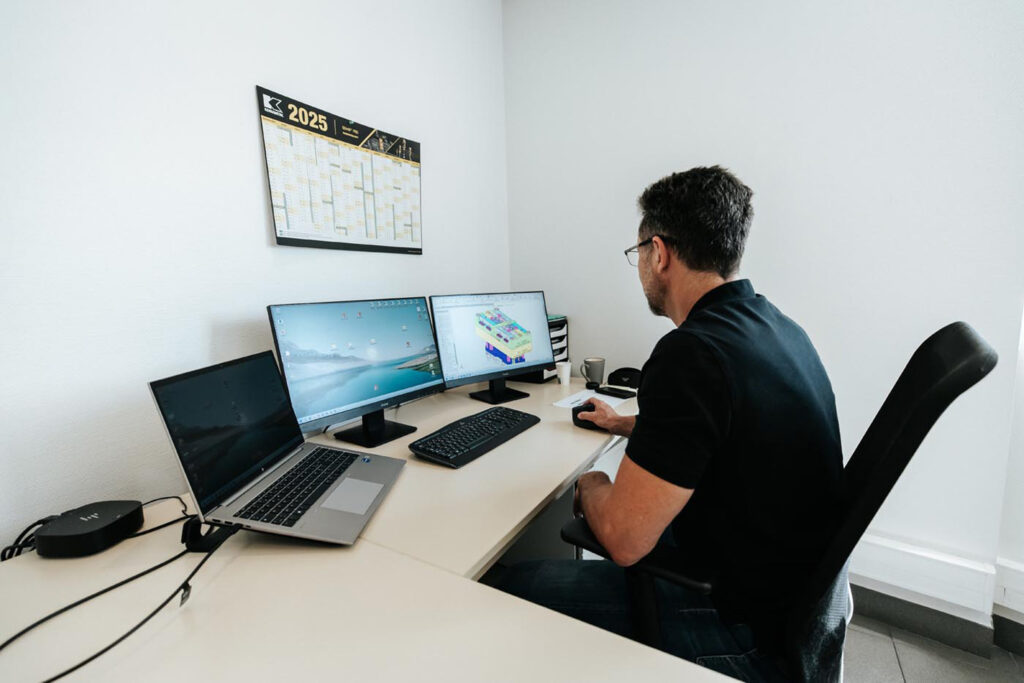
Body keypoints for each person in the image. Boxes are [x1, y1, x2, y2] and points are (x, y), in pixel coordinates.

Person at [489, 166, 846, 681]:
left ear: (660, 253)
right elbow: (729, 434)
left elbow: (622, 538)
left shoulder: (692, 353)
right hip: (789, 606)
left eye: (638, 255)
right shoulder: (776, 328)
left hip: (736, 629)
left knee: (505, 585)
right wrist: (626, 424)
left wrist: (588, 484)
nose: (639, 267)